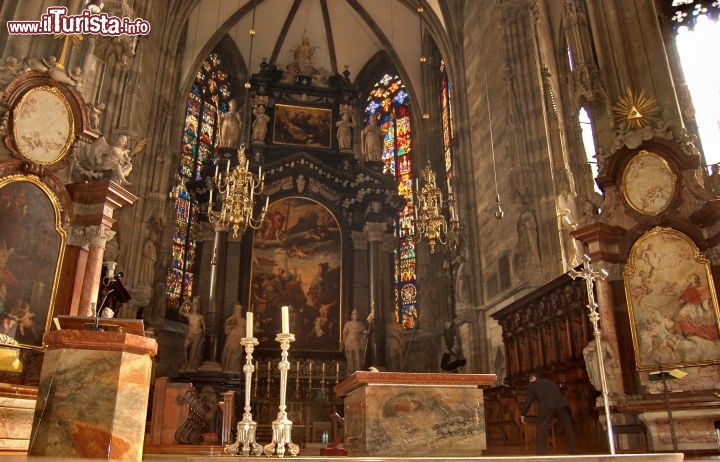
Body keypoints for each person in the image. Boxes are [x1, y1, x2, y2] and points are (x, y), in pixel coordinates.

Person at [520, 372, 578, 455]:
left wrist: (523, 413)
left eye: (530, 380)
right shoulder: (550, 382)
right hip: (561, 405)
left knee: (541, 427)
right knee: (568, 427)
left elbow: (529, 400)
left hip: (547, 406)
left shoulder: (533, 385)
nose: (529, 382)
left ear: (533, 378)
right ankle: (574, 451)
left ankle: (541, 453)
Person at [181, 297, 205, 372]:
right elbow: (180, 312)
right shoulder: (189, 315)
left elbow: (204, 327)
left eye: (197, 304)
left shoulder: (200, 317)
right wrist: (185, 303)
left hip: (197, 334)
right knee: (185, 347)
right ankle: (186, 362)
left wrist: (203, 338)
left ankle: (190, 365)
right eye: (194, 304)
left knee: (193, 350)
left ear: (198, 307)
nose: (195, 306)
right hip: (190, 334)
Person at [221, 302, 247, 373]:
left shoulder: (243, 321)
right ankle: (227, 367)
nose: (238, 312)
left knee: (237, 354)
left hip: (239, 340)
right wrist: (231, 326)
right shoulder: (229, 319)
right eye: (236, 310)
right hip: (231, 338)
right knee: (229, 351)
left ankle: (234, 367)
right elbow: (226, 331)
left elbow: (247, 332)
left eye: (239, 310)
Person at [342, 309, 367, 373]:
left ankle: (357, 370)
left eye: (356, 314)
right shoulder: (348, 324)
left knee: (357, 355)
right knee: (350, 357)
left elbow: (364, 332)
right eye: (353, 314)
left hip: (357, 341)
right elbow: (345, 333)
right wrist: (343, 342)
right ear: (352, 316)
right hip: (349, 341)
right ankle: (350, 370)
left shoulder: (360, 324)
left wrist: (366, 332)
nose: (355, 315)